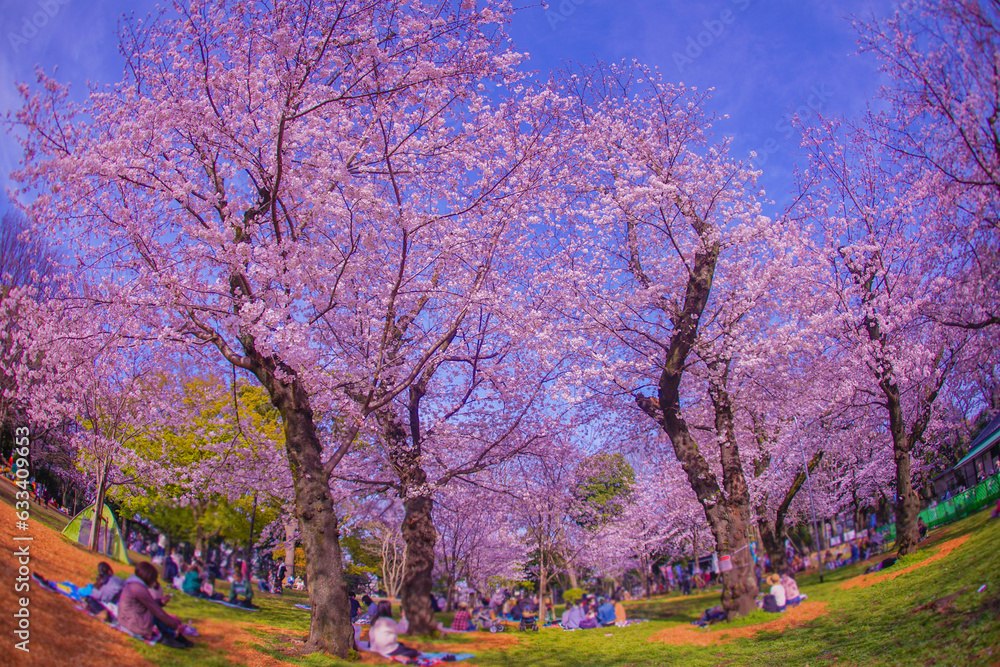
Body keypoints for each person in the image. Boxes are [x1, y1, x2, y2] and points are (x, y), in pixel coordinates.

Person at [118, 562, 193, 649]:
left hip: (127, 620)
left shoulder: (133, 584)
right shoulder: (138, 588)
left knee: (156, 614)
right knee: (157, 615)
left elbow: (147, 603)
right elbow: (156, 610)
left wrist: (160, 602)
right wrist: (175, 626)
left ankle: (172, 635)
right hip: (132, 625)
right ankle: (168, 636)